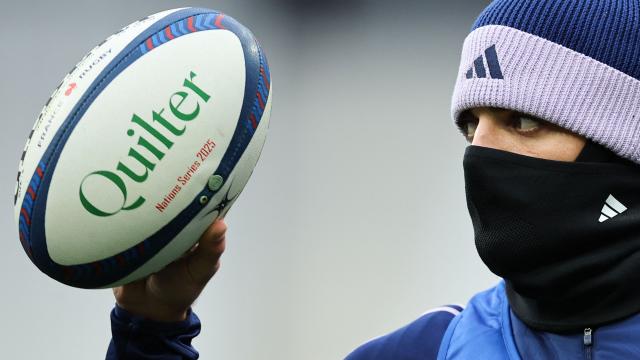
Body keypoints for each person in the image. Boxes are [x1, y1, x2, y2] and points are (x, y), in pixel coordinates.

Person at [107, 0, 640, 358]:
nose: (481, 156)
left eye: (523, 122)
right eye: (471, 126)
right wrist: (151, 330)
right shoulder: (425, 351)